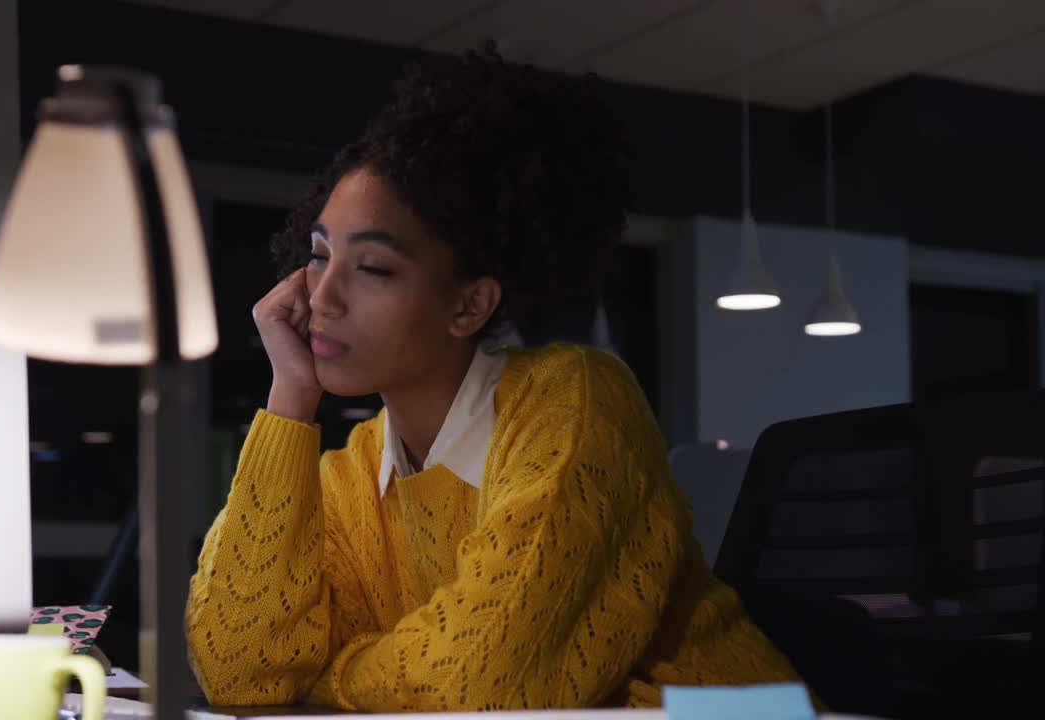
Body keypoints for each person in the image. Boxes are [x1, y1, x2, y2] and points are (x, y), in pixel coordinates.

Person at [185, 48, 802, 711]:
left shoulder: (575, 404)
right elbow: (237, 669)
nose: (322, 296)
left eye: (375, 269)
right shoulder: (351, 475)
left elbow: (481, 682)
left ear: (469, 305)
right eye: (318, 255)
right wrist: (290, 401)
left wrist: (329, 680)